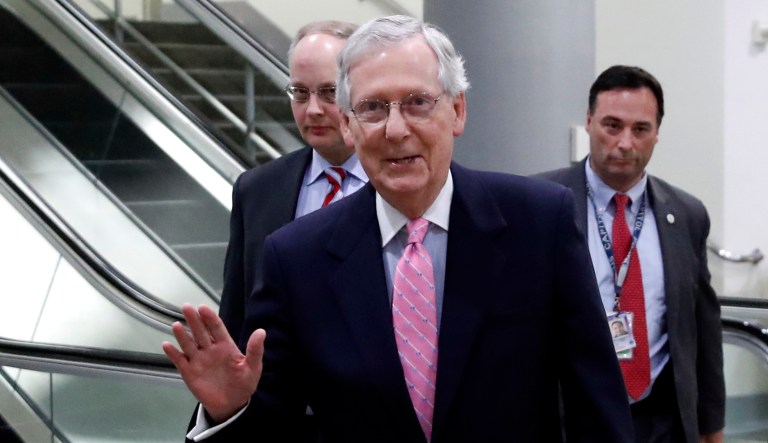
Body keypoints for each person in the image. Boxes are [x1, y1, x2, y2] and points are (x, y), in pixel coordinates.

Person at [163, 15, 633, 442]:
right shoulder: (297, 257)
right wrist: (227, 412)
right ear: (348, 126)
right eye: (372, 108)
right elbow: (274, 426)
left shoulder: (538, 222)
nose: (394, 128)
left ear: (458, 111)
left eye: (417, 103)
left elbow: (596, 404)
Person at [535, 65, 725, 443]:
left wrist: (711, 426)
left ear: (656, 135)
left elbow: (703, 329)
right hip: (573, 418)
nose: (625, 142)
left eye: (640, 129)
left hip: (662, 419)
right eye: (612, 125)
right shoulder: (538, 202)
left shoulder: (686, 214)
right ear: (589, 123)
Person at [217, 20, 367, 342]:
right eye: (300, 92)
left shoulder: (401, 187)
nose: (312, 110)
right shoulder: (256, 190)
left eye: (329, 92)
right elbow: (235, 318)